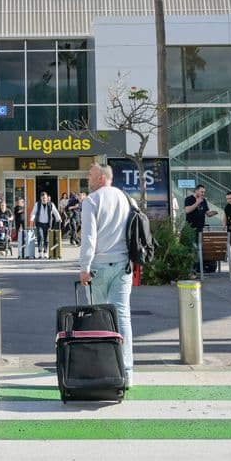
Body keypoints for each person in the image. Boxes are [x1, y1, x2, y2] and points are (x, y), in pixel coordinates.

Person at [77, 163, 133, 387]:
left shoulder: (92, 201)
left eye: (91, 174)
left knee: (98, 316)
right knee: (123, 316)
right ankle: (127, 371)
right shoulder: (126, 198)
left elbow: (88, 238)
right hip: (123, 264)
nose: (88, 178)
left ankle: (101, 368)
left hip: (98, 266)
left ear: (101, 177)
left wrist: (84, 267)